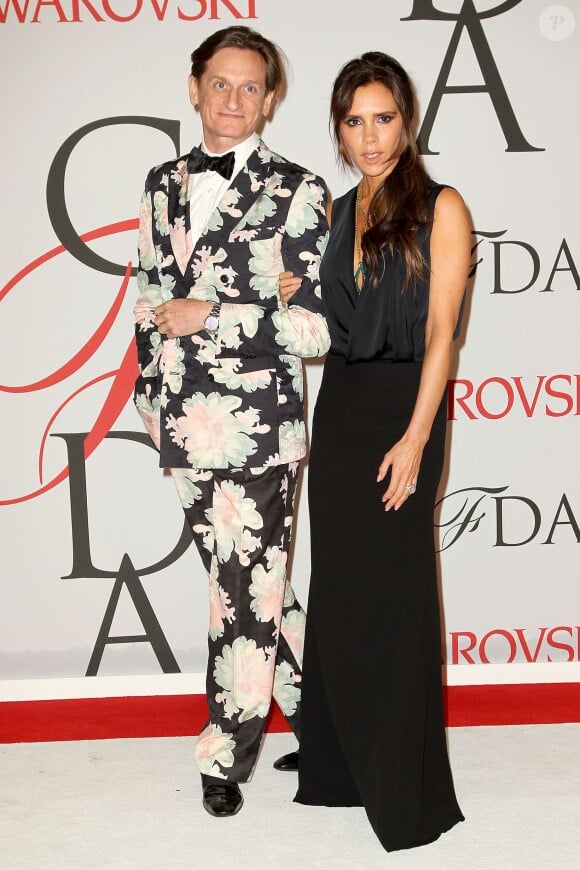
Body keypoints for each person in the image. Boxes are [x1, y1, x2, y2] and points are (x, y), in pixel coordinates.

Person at [274, 52, 470, 851]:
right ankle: (336, 758)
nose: (370, 135)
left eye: (382, 117)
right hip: (345, 404)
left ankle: (403, 782)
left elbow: (441, 337)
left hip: (404, 407)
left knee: (394, 590)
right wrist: (301, 298)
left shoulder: (442, 206)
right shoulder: (338, 209)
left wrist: (418, 438)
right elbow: (332, 329)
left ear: (408, 118)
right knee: (345, 584)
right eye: (353, 121)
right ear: (339, 129)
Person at [132, 25, 330, 819]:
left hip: (259, 425)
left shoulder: (300, 190)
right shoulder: (160, 181)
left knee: (243, 597)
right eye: (221, 83)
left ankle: (226, 751)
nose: (234, 101)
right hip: (178, 420)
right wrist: (152, 395)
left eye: (251, 87)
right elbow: (148, 295)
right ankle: (328, 720)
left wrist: (210, 314)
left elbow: (314, 329)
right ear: (194, 88)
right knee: (253, 589)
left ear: (271, 99)